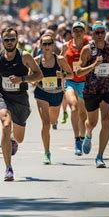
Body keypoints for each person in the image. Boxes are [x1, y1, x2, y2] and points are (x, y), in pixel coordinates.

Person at [0, 27, 43, 181]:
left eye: (12, 39)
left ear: (17, 40)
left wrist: (22, 79)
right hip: (2, 95)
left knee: (19, 138)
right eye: (6, 39)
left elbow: (39, 75)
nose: (10, 42)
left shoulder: (24, 56)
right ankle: (8, 168)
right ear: (2, 41)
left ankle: (13, 140)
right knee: (6, 125)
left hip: (20, 99)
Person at [76, 21, 109, 168]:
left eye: (103, 32)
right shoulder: (87, 50)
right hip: (91, 90)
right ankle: (88, 133)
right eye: (97, 32)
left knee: (106, 120)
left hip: (108, 88)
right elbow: (78, 72)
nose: (100, 35)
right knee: (92, 122)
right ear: (92, 34)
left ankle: (100, 156)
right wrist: (93, 65)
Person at [33, 34, 73, 164]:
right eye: (44, 44)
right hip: (42, 93)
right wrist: (33, 81)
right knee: (45, 124)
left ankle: (54, 121)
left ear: (53, 44)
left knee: (52, 121)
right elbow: (29, 77)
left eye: (49, 43)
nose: (47, 46)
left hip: (56, 94)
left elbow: (71, 75)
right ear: (40, 45)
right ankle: (47, 152)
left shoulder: (60, 59)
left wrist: (63, 75)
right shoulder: (36, 60)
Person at [61, 22, 89, 156]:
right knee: (74, 107)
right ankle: (77, 139)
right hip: (70, 81)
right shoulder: (66, 46)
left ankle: (83, 137)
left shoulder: (88, 46)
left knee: (83, 115)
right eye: (75, 30)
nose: (78, 32)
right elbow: (61, 61)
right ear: (72, 32)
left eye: (80, 30)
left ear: (84, 32)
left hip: (84, 82)